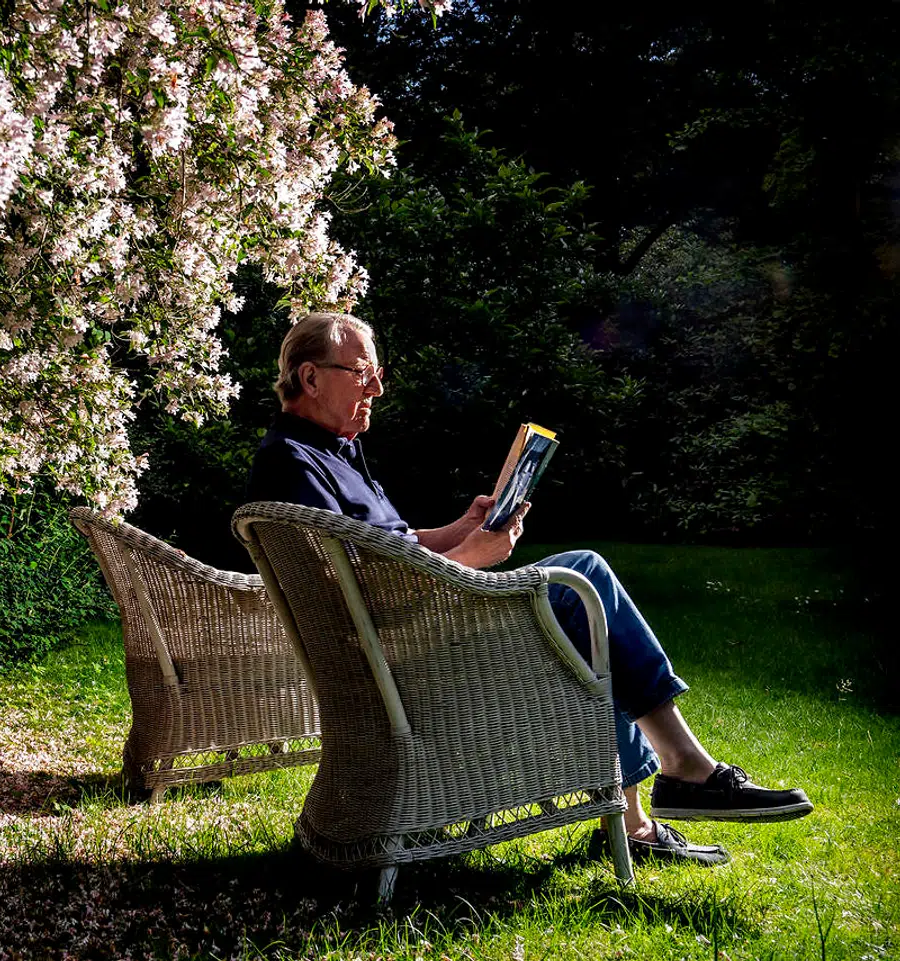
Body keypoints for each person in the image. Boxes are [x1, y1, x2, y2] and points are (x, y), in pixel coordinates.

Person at [246, 311, 813, 866]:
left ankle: (645, 813)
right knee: (580, 582)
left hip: (418, 622)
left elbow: (388, 547)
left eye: (377, 374)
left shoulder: (330, 450)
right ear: (311, 377)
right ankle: (681, 774)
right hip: (404, 651)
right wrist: (471, 558)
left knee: (583, 614)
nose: (376, 389)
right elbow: (348, 592)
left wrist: (459, 529)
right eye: (362, 373)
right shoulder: (290, 463)